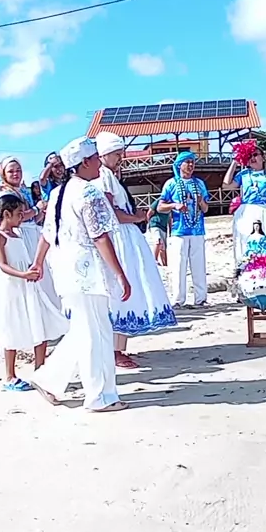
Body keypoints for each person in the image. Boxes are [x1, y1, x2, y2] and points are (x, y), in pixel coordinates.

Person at [31, 136, 131, 412]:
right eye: (96, 158)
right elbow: (99, 236)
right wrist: (120, 274)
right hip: (89, 271)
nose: (100, 163)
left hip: (65, 269)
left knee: (85, 329)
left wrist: (38, 262)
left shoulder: (58, 193)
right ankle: (99, 396)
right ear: (85, 162)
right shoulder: (89, 192)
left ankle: (49, 379)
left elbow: (47, 234)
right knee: (96, 333)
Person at [94, 131, 177, 369]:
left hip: (126, 237)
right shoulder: (104, 177)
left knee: (127, 290)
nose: (120, 158)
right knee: (120, 291)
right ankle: (114, 349)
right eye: (116, 154)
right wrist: (135, 217)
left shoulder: (111, 176)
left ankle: (118, 347)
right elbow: (110, 212)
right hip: (120, 237)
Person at [0, 194, 68, 392]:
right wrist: (23, 274)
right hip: (11, 286)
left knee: (39, 322)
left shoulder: (18, 234)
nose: (22, 216)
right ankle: (10, 375)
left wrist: (32, 269)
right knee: (11, 326)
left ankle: (40, 370)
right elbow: (3, 265)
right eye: (19, 213)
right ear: (6, 214)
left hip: (28, 284)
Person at [158, 151, 209, 308]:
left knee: (199, 265)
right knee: (178, 266)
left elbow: (206, 209)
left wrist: (200, 201)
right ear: (179, 165)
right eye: (187, 162)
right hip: (178, 231)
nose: (191, 165)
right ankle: (178, 300)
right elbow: (160, 207)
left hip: (197, 230)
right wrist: (174, 205)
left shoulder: (199, 183)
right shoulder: (171, 183)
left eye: (193, 162)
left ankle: (201, 298)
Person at [223, 142, 266, 264]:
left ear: (263, 157)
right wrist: (235, 162)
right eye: (249, 156)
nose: (252, 158)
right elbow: (226, 185)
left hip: (264, 211)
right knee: (246, 242)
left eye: (255, 155)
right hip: (245, 212)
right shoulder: (244, 174)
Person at [0, 157, 44, 262]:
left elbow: (32, 220)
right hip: (19, 233)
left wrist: (42, 212)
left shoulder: (23, 191)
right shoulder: (5, 194)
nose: (15, 174)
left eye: (18, 170)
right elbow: (17, 217)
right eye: (11, 171)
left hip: (31, 233)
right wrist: (36, 209)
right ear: (4, 174)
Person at [147, 197, 170, 265]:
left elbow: (170, 218)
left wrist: (170, 229)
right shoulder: (159, 201)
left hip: (163, 227)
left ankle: (165, 264)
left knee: (163, 247)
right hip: (155, 224)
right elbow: (149, 213)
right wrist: (149, 224)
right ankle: (154, 260)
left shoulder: (171, 204)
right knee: (158, 241)